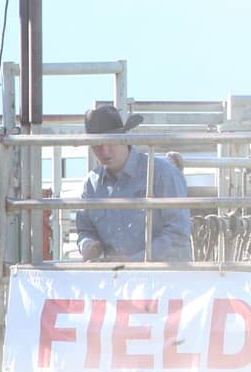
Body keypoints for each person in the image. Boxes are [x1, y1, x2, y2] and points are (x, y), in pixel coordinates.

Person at [76, 105, 193, 261]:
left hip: (164, 278)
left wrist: (134, 261)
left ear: (124, 138)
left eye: (110, 142)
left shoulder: (163, 173)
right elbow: (85, 229)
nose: (104, 151)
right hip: (116, 277)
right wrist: (88, 245)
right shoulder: (91, 184)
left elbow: (178, 236)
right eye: (96, 145)